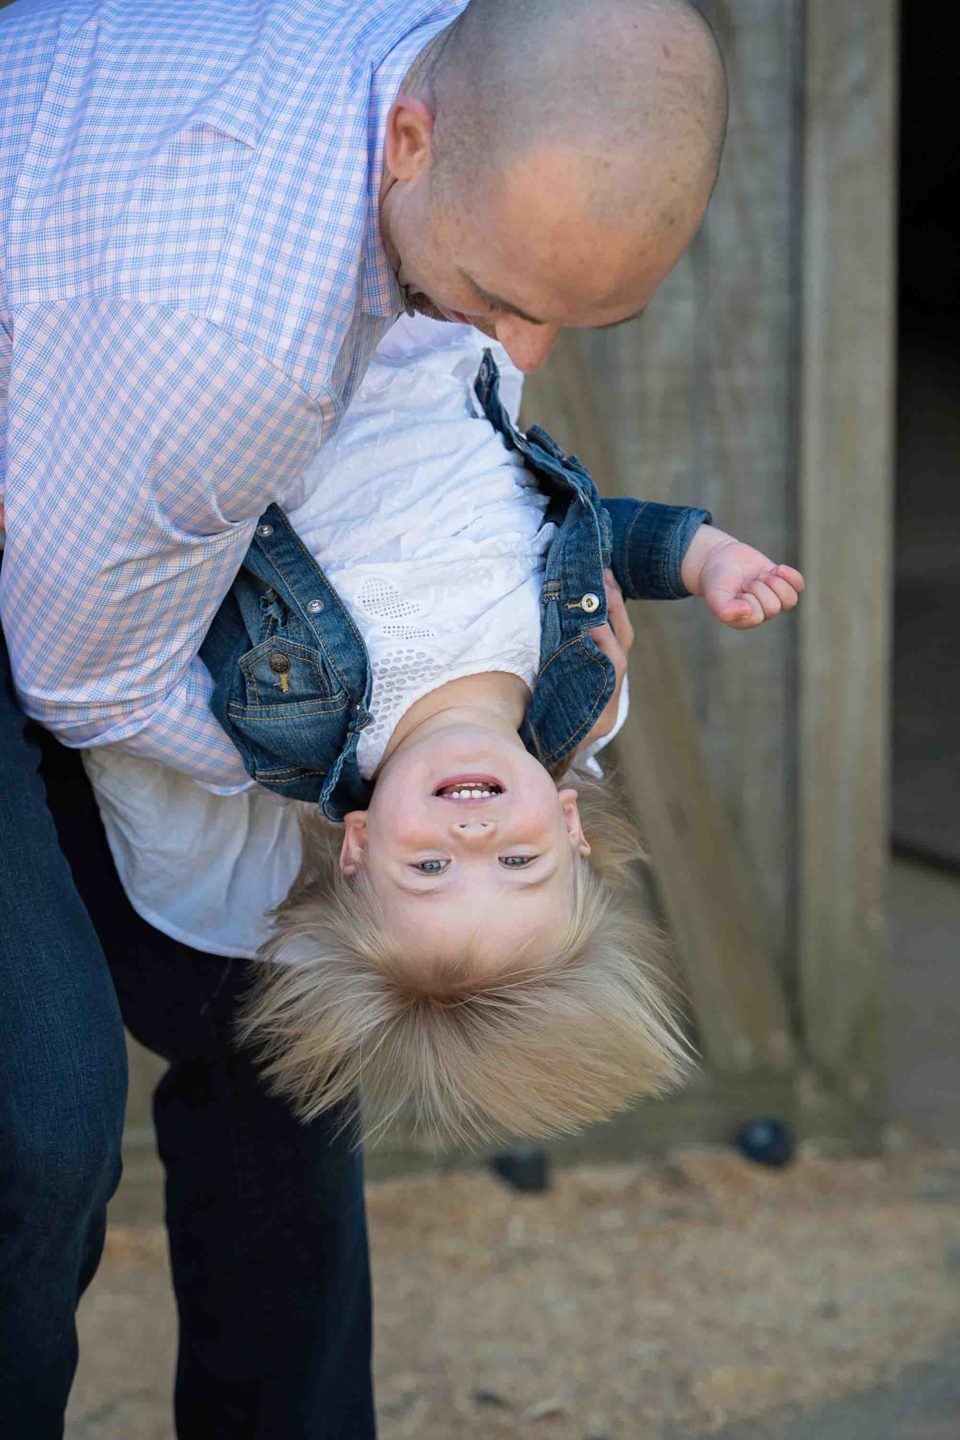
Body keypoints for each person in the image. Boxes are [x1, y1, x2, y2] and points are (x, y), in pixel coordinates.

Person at [0, 1, 730, 1433]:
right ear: (408, 138)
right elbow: (83, 670)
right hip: (81, 588)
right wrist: (337, 769)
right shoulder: (238, 349)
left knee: (296, 1020)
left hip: (146, 556)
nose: (508, 350)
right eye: (492, 291)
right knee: (43, 1113)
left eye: (555, 319)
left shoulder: (446, 92)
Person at [83, 314, 804, 1150]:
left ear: (356, 847)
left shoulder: (291, 722)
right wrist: (708, 559)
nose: (473, 833)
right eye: (516, 862)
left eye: (430, 867)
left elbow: (176, 587)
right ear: (572, 828)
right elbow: (593, 529)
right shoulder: (577, 676)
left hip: (265, 354)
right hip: (439, 330)